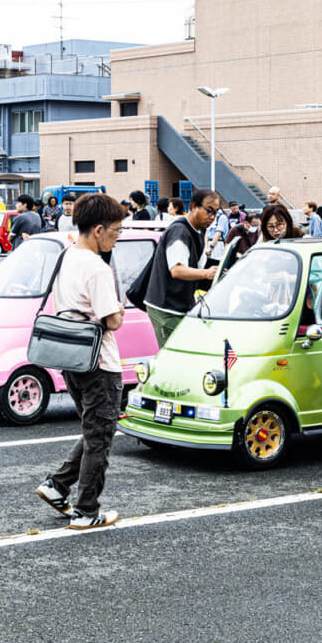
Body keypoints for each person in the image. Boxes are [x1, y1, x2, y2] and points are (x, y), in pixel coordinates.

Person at [34, 192, 126, 530]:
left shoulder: (66, 256)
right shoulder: (96, 268)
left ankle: (57, 486)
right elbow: (112, 320)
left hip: (71, 358)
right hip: (100, 363)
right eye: (116, 230)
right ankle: (88, 511)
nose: (117, 236)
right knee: (100, 436)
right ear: (99, 229)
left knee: (93, 428)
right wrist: (118, 310)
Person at [142, 189, 219, 346]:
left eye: (216, 213)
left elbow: (198, 266)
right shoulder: (180, 231)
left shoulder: (198, 231)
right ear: (193, 207)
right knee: (177, 355)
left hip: (181, 306)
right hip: (166, 309)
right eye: (209, 211)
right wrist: (206, 274)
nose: (212, 217)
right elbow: (177, 270)